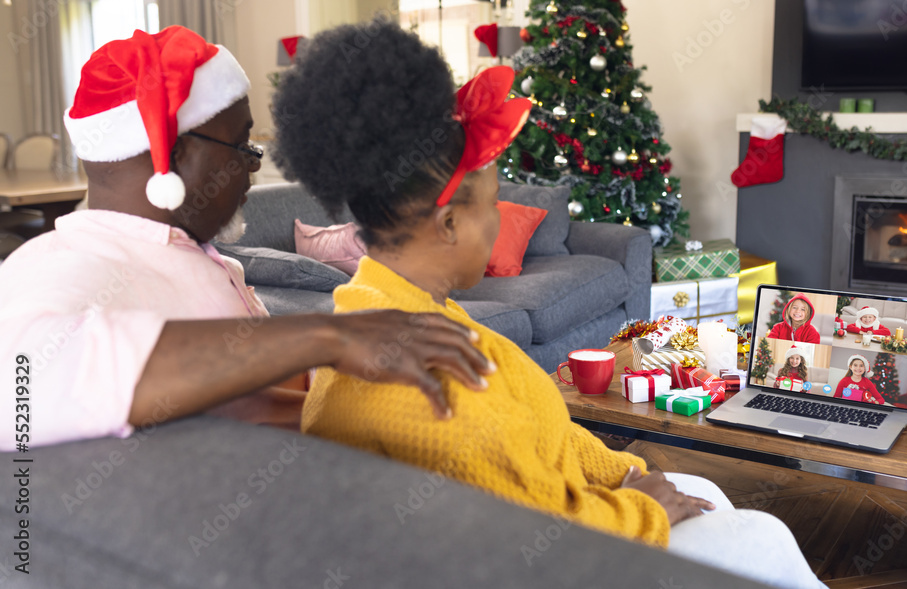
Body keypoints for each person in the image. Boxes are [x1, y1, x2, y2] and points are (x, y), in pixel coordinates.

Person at [276, 21, 825, 588]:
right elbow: (528, 540)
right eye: (494, 204)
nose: (499, 222)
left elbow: (546, 435)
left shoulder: (405, 310)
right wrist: (644, 509)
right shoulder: (423, 382)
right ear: (448, 224)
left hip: (572, 513)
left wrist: (631, 473)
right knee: (764, 538)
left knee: (707, 493)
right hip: (552, 559)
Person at [0, 26, 494, 452]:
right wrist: (330, 337)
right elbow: (15, 381)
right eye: (242, 146)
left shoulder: (178, 249)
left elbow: (246, 395)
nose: (252, 166)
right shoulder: (65, 259)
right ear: (171, 155)